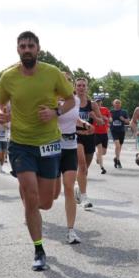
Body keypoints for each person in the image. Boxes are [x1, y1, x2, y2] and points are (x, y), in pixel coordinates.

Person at [0, 31, 75, 271]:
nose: (27, 49)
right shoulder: (8, 77)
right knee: (31, 198)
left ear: (38, 48)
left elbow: (71, 100)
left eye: (30, 45)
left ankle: (33, 209)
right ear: (17, 49)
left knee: (47, 201)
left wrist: (56, 112)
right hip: (21, 144)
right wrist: (1, 112)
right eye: (23, 46)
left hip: (49, 142)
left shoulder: (52, 73)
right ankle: (39, 249)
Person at [52, 73, 84, 244]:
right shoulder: (50, 99)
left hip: (70, 146)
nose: (66, 83)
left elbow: (74, 118)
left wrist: (84, 124)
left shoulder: (75, 101)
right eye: (62, 80)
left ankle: (71, 230)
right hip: (53, 148)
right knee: (54, 194)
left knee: (68, 188)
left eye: (68, 80)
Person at [73, 77, 104, 208]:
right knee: (82, 166)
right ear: (75, 87)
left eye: (83, 85)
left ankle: (78, 187)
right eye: (78, 85)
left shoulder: (92, 104)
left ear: (87, 88)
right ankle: (85, 198)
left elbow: (101, 122)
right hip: (76, 137)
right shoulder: (71, 102)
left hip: (90, 138)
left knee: (85, 170)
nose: (81, 88)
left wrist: (94, 117)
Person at [92, 94, 111, 175]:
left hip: (104, 133)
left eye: (99, 101)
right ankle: (102, 168)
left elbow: (110, 119)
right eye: (96, 102)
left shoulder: (105, 109)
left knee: (104, 152)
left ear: (101, 102)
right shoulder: (92, 111)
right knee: (99, 150)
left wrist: (105, 118)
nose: (98, 103)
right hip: (95, 133)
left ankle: (98, 156)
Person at [109, 98, 129, 169]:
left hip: (121, 131)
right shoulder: (111, 112)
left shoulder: (124, 112)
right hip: (114, 131)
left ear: (120, 104)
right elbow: (108, 119)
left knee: (119, 147)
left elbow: (128, 121)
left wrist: (123, 119)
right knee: (117, 146)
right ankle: (118, 161)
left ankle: (116, 158)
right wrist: (109, 120)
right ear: (113, 104)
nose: (117, 104)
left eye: (118, 103)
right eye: (116, 103)